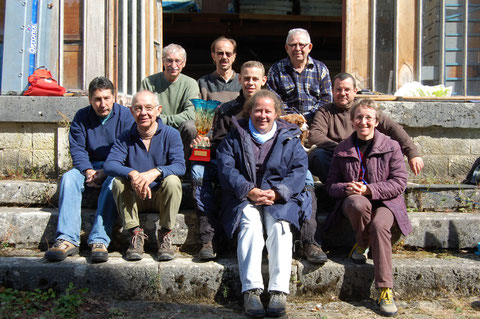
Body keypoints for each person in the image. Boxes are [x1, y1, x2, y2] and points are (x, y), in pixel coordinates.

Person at [217, 90, 311, 317]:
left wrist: (279, 192)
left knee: (279, 226)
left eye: (268, 111)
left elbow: (299, 170)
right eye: (257, 110)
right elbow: (225, 167)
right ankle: (251, 290)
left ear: (277, 113)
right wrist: (248, 190)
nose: (262, 115)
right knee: (249, 224)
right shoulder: (235, 134)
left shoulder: (289, 136)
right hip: (244, 197)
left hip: (277, 197)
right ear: (249, 111)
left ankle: (279, 291)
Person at [325, 98, 411, 317]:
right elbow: (331, 185)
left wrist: (370, 189)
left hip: (386, 203)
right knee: (356, 202)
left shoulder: (391, 146)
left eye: (368, 118)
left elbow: (400, 182)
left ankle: (385, 289)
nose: (364, 122)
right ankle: (363, 243)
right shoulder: (342, 148)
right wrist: (347, 187)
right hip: (355, 202)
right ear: (353, 121)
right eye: (359, 117)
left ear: (376, 120)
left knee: (380, 226)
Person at [44, 77, 134, 263]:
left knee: (113, 183)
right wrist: (87, 170)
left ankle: (99, 239)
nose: (103, 104)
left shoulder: (125, 116)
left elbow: (125, 148)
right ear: (90, 100)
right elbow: (77, 148)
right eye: (97, 99)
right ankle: (67, 239)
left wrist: (106, 172)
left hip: (114, 167)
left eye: (107, 98)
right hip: (89, 166)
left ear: (114, 97)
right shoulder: (81, 117)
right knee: (69, 178)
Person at [191, 61, 267, 260]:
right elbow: (217, 144)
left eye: (255, 79)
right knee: (199, 170)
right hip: (230, 165)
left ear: (263, 81)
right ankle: (208, 237)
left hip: (261, 167)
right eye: (247, 78)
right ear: (239, 79)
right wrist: (204, 143)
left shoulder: (271, 109)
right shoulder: (226, 110)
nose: (251, 83)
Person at [104, 90, 185, 261]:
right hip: (135, 197)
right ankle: (136, 234)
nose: (143, 113)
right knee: (118, 182)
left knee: (173, 180)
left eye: (148, 108)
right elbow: (110, 165)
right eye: (138, 108)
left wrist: (155, 172)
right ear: (131, 111)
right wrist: (133, 173)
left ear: (158, 110)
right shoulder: (125, 137)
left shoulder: (171, 134)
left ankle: (165, 234)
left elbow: (180, 166)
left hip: (160, 197)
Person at [309, 72, 424, 183]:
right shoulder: (325, 111)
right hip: (339, 157)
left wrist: (413, 154)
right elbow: (315, 135)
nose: (343, 93)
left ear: (355, 91)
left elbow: (394, 128)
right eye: (338, 89)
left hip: (365, 156)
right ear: (333, 91)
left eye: (347, 90)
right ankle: (339, 188)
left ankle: (369, 187)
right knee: (317, 156)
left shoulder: (364, 109)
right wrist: (341, 148)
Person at [140, 43, 199, 158]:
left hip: (179, 130)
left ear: (184, 63)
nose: (173, 65)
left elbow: (191, 114)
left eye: (178, 61)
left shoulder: (190, 84)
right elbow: (143, 108)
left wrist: (164, 120)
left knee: (191, 127)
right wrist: (160, 123)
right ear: (162, 61)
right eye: (169, 60)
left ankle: (183, 166)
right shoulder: (149, 82)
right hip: (155, 128)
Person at [267, 28, 332, 124]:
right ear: (286, 48)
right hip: (285, 124)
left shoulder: (321, 69)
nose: (297, 49)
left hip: (316, 123)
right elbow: (272, 100)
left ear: (309, 47)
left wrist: (306, 118)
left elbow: (327, 100)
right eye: (293, 45)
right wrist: (293, 118)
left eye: (301, 45)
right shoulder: (276, 70)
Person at [197, 36, 242, 103]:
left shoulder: (243, 82)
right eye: (220, 53)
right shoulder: (202, 83)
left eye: (228, 54)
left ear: (234, 56)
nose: (224, 57)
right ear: (213, 56)